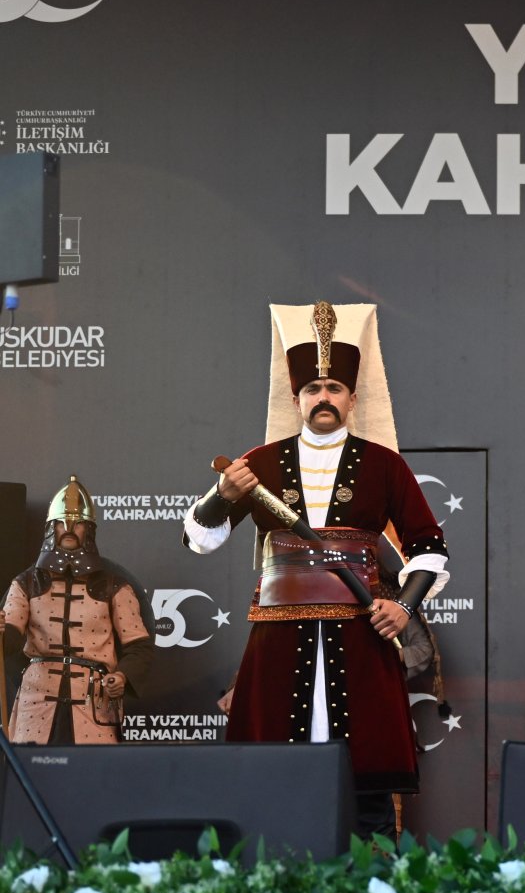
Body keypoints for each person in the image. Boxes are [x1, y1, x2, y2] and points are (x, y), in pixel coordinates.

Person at [181, 301, 448, 838]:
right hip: (279, 637)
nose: (323, 397)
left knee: (369, 784)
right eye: (312, 389)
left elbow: (430, 548)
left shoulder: (383, 464)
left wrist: (403, 605)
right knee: (272, 781)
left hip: (362, 637)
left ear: (351, 397)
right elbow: (199, 539)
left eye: (333, 388)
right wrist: (221, 495)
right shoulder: (255, 464)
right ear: (297, 398)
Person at [3, 476, 154, 743]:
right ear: (51, 528)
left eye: (78, 523)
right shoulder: (26, 583)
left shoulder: (115, 586)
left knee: (91, 776)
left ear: (89, 529)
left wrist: (122, 675)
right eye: (61, 522)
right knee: (33, 771)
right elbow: (10, 638)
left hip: (93, 700)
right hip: (36, 701)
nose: (69, 529)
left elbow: (138, 646)